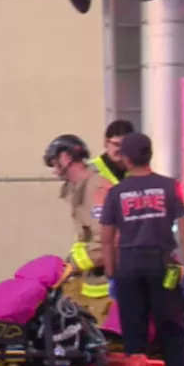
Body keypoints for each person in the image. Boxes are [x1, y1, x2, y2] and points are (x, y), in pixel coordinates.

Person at [99, 132, 184, 366]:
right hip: (163, 265)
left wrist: (112, 275)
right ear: (150, 155)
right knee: (172, 335)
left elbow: (107, 239)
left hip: (129, 268)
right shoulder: (171, 187)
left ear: (127, 159)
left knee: (134, 337)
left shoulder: (117, 193)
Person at [43, 134, 113, 322]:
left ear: (66, 157)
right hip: (94, 279)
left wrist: (74, 265)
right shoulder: (78, 190)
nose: (54, 169)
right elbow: (85, 239)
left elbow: (106, 240)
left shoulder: (96, 188)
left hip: (108, 285)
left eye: (54, 162)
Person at [93, 120, 134, 186]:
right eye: (116, 144)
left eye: (124, 145)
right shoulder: (91, 170)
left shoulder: (135, 170)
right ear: (106, 142)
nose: (119, 149)